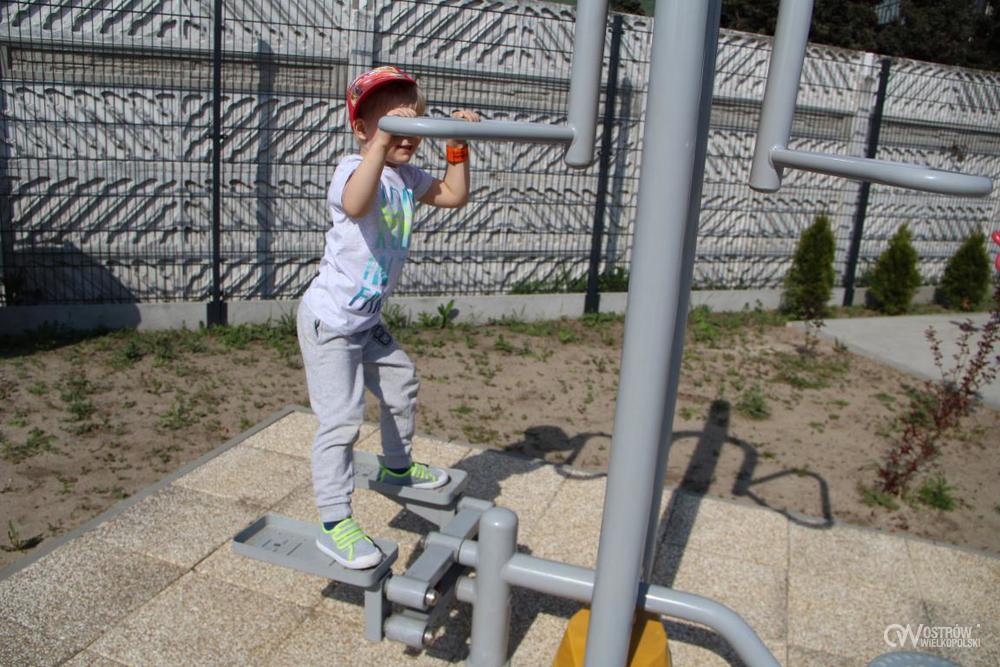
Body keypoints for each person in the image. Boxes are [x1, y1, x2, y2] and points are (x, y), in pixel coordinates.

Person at [297, 65, 480, 569]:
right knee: (341, 420)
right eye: (394, 124)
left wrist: (457, 147)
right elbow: (357, 205)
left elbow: (453, 196)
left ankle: (396, 467)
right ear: (362, 129)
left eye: (414, 123)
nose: (408, 135)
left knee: (401, 381)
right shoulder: (352, 169)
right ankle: (335, 522)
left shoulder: (408, 176)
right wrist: (380, 146)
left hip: (365, 321)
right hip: (331, 323)